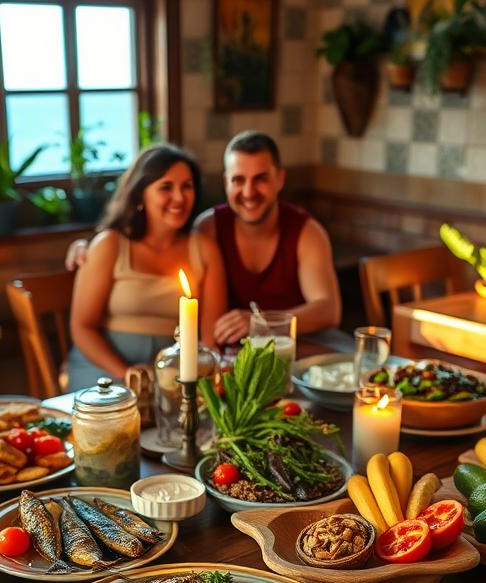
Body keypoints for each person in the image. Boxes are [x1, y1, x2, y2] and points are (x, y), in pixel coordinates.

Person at [66, 131, 343, 350]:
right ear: (226, 182)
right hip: (237, 352)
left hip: (297, 345)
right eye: (238, 180)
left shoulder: (306, 231)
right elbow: (145, 234)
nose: (249, 192)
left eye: (260, 179)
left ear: (279, 179)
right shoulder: (208, 228)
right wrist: (88, 245)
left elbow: (329, 310)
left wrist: (261, 323)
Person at [66, 144, 226, 390]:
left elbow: (209, 339)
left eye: (187, 186)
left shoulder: (204, 249)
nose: (179, 197)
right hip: (104, 372)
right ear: (140, 194)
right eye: (166, 187)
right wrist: (128, 373)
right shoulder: (110, 244)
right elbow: (82, 327)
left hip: (172, 377)